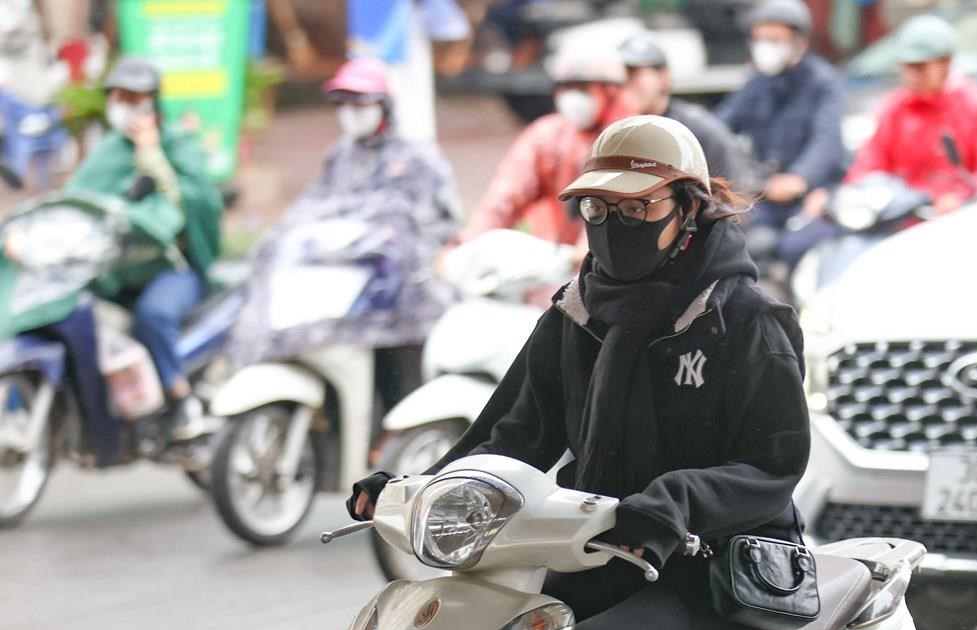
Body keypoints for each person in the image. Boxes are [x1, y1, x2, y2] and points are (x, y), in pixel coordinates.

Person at [348, 115, 811, 630]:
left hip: (715, 574)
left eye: (637, 208)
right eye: (598, 207)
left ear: (688, 208)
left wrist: (676, 501)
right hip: (603, 553)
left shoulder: (743, 319)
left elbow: (774, 463)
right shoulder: (577, 314)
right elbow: (511, 435)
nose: (614, 226)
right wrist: (415, 488)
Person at [231, 57, 462, 416]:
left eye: (360, 103)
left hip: (403, 301)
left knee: (401, 394)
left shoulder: (416, 157)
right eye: (343, 104)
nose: (351, 113)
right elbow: (312, 206)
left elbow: (440, 222)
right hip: (346, 293)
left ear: (383, 105)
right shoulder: (341, 154)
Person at [68, 55, 222, 439]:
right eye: (119, 96)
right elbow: (75, 199)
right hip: (116, 269)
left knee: (153, 315)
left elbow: (197, 203)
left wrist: (151, 153)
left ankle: (180, 398)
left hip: (173, 267)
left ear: (154, 101)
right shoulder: (108, 150)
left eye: (135, 98)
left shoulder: (178, 143)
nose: (125, 106)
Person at [461, 39, 634, 245]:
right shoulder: (549, 135)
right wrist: (469, 243)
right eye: (565, 87)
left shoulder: (631, 138)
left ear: (610, 90)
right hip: (559, 255)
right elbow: (505, 195)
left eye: (582, 87)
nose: (572, 96)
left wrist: (590, 249)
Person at [845, 14, 977, 212]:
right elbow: (868, 166)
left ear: (945, 64)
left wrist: (959, 197)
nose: (911, 76)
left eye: (919, 67)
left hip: (961, 216)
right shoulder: (895, 108)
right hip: (900, 214)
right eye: (905, 67)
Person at [716, 0, 844, 267]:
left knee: (797, 247)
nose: (764, 47)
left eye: (774, 40)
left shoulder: (822, 82)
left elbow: (826, 143)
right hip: (766, 192)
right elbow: (720, 127)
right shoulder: (756, 83)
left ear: (800, 43)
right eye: (759, 40)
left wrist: (801, 178)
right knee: (730, 240)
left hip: (813, 194)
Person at [619, 32, 753, 190]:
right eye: (621, 75)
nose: (626, 83)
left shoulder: (697, 130)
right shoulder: (614, 132)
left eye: (635, 74)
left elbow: (734, 191)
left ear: (663, 77)